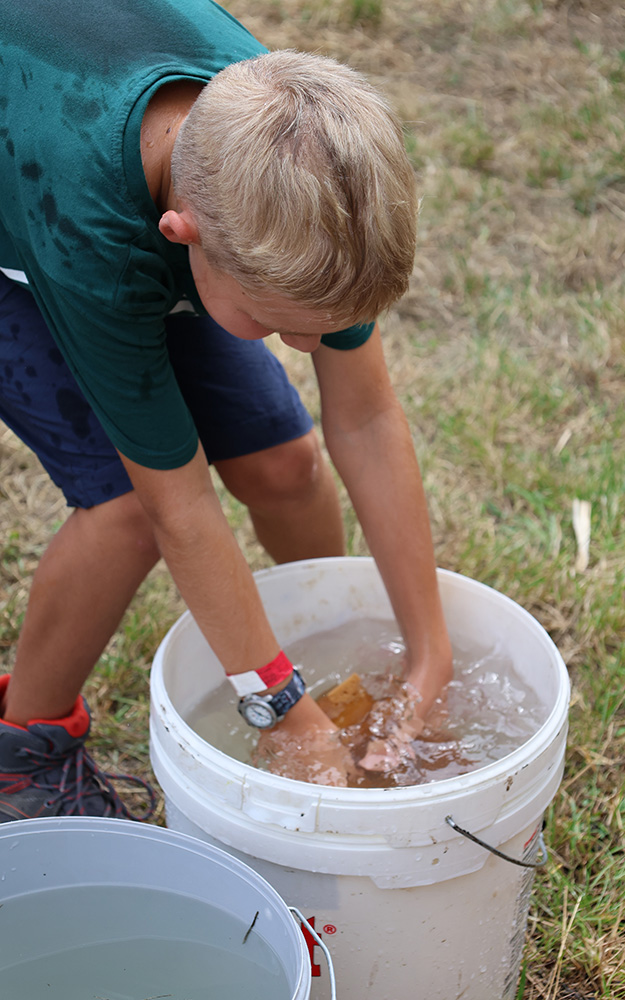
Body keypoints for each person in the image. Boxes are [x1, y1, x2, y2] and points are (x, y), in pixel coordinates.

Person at [0, 0, 453, 820]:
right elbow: (178, 507)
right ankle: (23, 751)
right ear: (183, 235)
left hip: (131, 186)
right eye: (283, 325)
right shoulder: (99, 245)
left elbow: (366, 420)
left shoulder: (307, 187)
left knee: (285, 461)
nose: (308, 348)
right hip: (34, 208)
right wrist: (279, 712)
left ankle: (315, 657)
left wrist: (430, 656)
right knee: (125, 506)